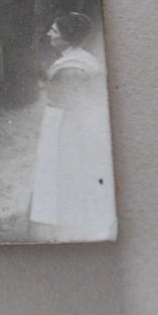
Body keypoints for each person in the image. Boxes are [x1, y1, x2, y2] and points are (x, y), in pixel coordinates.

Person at [30, 12, 115, 242]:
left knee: (66, 174)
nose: (49, 34)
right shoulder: (82, 59)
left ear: (68, 38)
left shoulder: (71, 69)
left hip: (69, 128)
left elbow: (70, 105)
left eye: (54, 31)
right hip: (74, 124)